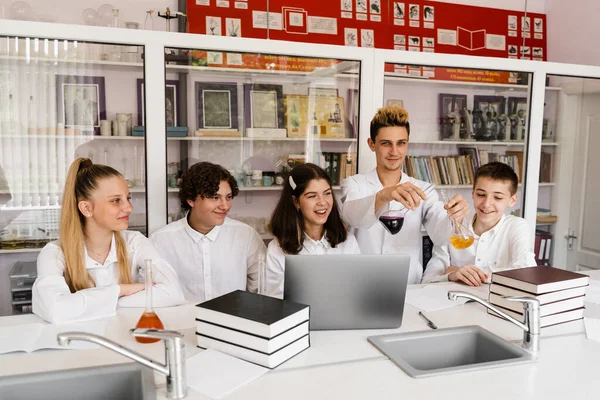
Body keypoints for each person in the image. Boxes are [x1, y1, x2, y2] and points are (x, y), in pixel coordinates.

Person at [32, 158, 185, 324]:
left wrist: (101, 303)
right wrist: (122, 290)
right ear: (87, 208)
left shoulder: (135, 242)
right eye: (115, 200)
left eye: (128, 198)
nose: (129, 208)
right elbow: (55, 309)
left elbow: (173, 292)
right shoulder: (54, 253)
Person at [340, 106, 470, 284]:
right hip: (361, 283)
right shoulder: (355, 184)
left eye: (401, 143)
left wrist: (456, 217)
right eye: (386, 143)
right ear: (372, 144)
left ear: (407, 143)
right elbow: (353, 216)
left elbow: (441, 236)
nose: (394, 152)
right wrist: (384, 195)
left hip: (408, 285)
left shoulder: (424, 189)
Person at [151, 162, 265, 303]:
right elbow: (152, 294)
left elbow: (263, 289)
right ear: (191, 200)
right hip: (181, 322)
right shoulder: (161, 240)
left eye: (228, 197)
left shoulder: (246, 235)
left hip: (234, 322)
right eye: (215, 197)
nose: (225, 206)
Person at [422, 162, 537, 286]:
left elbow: (526, 272)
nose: (486, 204)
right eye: (481, 194)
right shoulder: (454, 224)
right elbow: (428, 279)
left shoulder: (517, 226)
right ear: (473, 193)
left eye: (497, 198)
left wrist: (464, 273)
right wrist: (452, 275)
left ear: (512, 200)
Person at [266, 163, 360, 298]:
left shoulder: (347, 241)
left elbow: (356, 292)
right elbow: (275, 302)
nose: (323, 202)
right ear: (296, 202)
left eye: (327, 193)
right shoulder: (277, 249)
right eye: (312, 196)